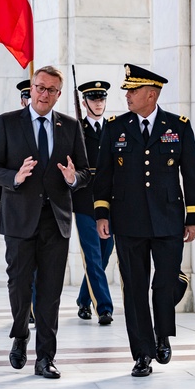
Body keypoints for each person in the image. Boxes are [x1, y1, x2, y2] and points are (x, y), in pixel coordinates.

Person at [94, 64, 195, 378]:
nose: (127, 96)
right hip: (128, 221)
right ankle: (142, 353)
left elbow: (192, 174)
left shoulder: (178, 126)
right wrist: (102, 213)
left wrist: (193, 217)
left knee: (165, 281)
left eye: (133, 90)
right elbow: (104, 175)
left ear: (151, 94)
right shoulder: (115, 127)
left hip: (169, 219)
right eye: (127, 90)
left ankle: (162, 334)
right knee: (135, 288)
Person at [0, 66, 90, 379]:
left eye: (51, 90)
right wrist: (14, 177)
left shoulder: (70, 126)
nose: (44, 94)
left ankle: (45, 357)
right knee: (19, 284)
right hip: (19, 219)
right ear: (31, 89)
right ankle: (20, 334)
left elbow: (84, 172)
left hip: (55, 222)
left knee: (50, 291)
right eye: (40, 88)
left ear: (58, 94)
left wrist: (75, 178)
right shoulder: (6, 123)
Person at [73, 80, 115, 325]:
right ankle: (105, 307)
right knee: (93, 256)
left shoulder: (114, 127)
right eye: (93, 99)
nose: (98, 103)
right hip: (85, 201)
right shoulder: (75, 129)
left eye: (101, 99)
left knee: (104, 254)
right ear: (84, 102)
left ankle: (83, 299)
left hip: (110, 202)